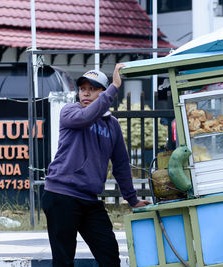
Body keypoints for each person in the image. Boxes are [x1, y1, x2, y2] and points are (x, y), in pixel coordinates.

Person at [41, 63, 151, 267]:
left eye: (93, 89)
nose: (86, 94)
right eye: (83, 89)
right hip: (61, 195)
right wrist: (115, 87)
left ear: (103, 92)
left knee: (109, 254)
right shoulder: (70, 112)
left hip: (89, 199)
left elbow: (121, 164)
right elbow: (87, 116)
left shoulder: (112, 125)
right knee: (63, 261)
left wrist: (132, 199)